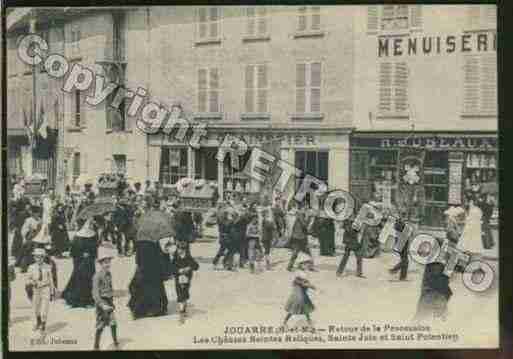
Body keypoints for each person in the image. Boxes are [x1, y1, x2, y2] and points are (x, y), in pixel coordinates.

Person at [128, 208, 174, 319]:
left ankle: (140, 310)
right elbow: (165, 253)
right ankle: (156, 308)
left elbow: (137, 255)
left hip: (143, 266)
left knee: (141, 286)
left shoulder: (140, 236)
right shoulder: (158, 237)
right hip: (154, 267)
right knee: (155, 286)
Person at [62, 219, 98, 307]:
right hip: (80, 262)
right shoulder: (78, 236)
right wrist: (82, 254)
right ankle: (77, 299)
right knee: (79, 279)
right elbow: (73, 251)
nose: (90, 226)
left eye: (91, 224)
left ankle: (88, 300)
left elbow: (95, 248)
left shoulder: (94, 235)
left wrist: (90, 254)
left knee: (89, 279)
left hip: (90, 262)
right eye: (89, 224)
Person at [415, 238, 453, 321]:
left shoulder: (435, 259)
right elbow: (438, 279)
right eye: (444, 247)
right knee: (422, 316)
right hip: (432, 292)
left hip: (431, 292)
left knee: (421, 316)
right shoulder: (437, 261)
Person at [92, 244, 119, 350]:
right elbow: (95, 293)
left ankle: (115, 341)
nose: (107, 264)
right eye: (105, 262)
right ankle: (96, 345)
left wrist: (112, 298)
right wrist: (102, 304)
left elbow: (110, 288)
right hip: (101, 303)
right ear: (100, 263)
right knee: (100, 325)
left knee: (113, 323)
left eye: (109, 262)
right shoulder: (97, 276)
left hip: (109, 301)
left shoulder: (109, 274)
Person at [26, 248, 56, 335]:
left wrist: (52, 292)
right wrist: (33, 282)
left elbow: (51, 280)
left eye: (41, 257)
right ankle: (38, 321)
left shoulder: (48, 267)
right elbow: (28, 279)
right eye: (37, 257)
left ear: (43, 258)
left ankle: (43, 325)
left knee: (44, 308)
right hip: (36, 289)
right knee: (36, 308)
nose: (39, 259)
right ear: (34, 258)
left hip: (45, 288)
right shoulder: (31, 267)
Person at [170, 241, 200, 324]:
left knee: (185, 293)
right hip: (178, 278)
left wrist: (189, 268)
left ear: (186, 250)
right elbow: (171, 268)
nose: (180, 250)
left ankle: (183, 308)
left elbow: (196, 266)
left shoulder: (188, 258)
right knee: (179, 293)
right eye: (179, 248)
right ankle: (182, 311)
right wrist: (178, 270)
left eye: (182, 249)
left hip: (186, 278)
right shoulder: (175, 258)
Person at [283, 259, 317, 327]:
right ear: (300, 264)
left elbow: (305, 282)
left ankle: (309, 320)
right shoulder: (298, 272)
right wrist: (310, 286)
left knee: (305, 305)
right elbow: (299, 282)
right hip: (298, 292)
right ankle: (285, 321)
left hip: (302, 291)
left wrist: (310, 286)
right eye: (304, 264)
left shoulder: (303, 272)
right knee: (295, 306)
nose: (306, 266)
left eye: (307, 264)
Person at [287, 203, 315, 272]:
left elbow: (305, 227)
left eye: (307, 209)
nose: (306, 210)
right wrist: (309, 218)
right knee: (296, 252)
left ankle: (310, 266)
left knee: (308, 252)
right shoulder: (300, 215)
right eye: (305, 208)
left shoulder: (302, 215)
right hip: (298, 237)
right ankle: (289, 266)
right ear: (302, 208)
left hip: (302, 237)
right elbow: (304, 225)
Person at [18, 206, 43, 272]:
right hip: (30, 238)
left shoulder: (40, 220)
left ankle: (37, 267)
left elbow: (43, 230)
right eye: (35, 213)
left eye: (38, 213)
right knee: (27, 252)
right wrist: (25, 237)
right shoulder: (28, 220)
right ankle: (24, 267)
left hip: (39, 238)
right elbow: (23, 230)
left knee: (39, 253)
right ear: (33, 213)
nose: (37, 214)